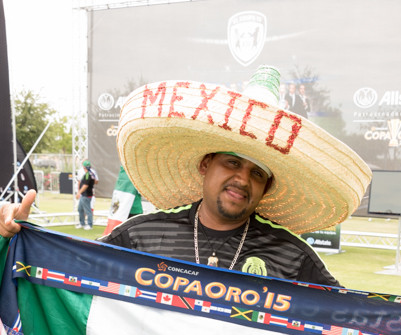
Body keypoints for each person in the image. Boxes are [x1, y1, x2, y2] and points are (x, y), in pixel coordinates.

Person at [0, 65, 371, 286]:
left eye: (257, 172)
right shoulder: (138, 236)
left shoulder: (293, 258)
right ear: (205, 164)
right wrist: (14, 240)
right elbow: (64, 280)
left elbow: (353, 329)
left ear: (266, 187)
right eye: (232, 162)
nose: (242, 178)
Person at [76, 160, 96, 230]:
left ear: (84, 167)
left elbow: (85, 185)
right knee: (80, 209)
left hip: (86, 195)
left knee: (87, 210)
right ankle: (82, 223)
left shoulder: (88, 175)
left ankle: (89, 225)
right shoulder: (91, 174)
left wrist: (79, 192)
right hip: (84, 195)